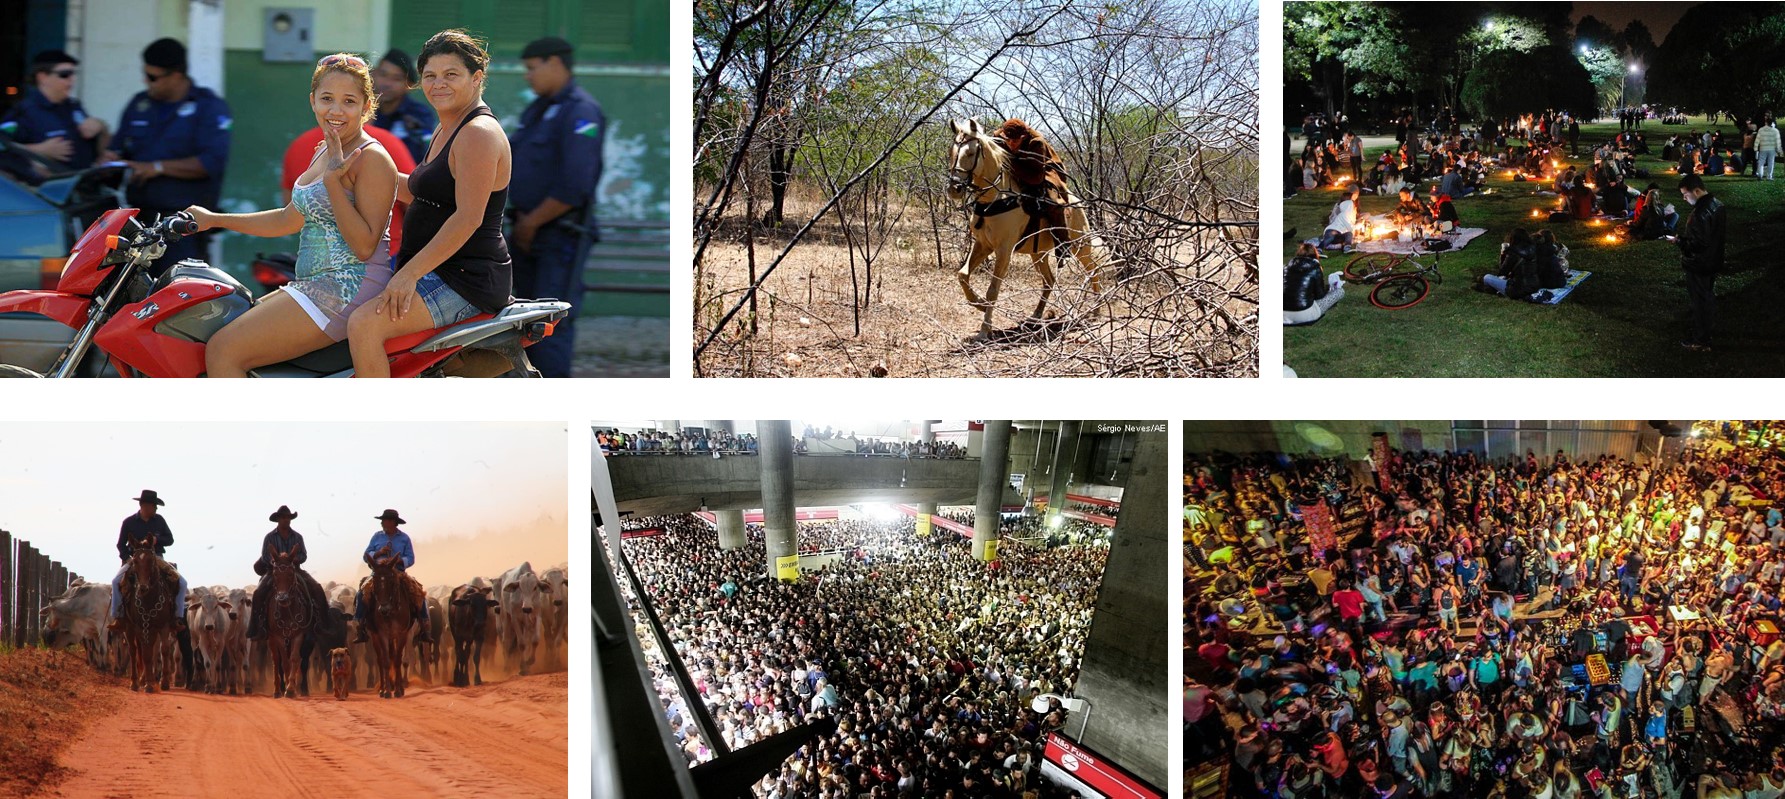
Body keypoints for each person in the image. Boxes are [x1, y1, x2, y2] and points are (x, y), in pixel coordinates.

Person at [184, 54, 397, 377]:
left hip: (348, 287)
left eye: (349, 101)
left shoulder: (372, 159)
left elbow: (365, 247)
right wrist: (214, 219)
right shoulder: (325, 150)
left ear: (367, 107)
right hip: (312, 284)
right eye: (327, 99)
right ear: (312, 101)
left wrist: (334, 183)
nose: (336, 111)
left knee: (224, 349)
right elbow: (287, 220)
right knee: (219, 328)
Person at [346, 29, 513, 378]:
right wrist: (357, 171)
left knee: (365, 325)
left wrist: (408, 275)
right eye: (430, 76)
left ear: (476, 78)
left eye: (451, 75)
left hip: (467, 279)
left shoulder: (477, 133)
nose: (439, 84)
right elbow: (427, 196)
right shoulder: (446, 126)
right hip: (438, 270)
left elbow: (467, 218)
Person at [507, 36, 605, 378]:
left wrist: (532, 223)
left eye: (533, 69)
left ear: (555, 64)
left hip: (559, 236)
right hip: (528, 234)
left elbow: (575, 185)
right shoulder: (539, 110)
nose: (528, 76)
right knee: (525, 329)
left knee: (551, 327)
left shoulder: (581, 112)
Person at [102, 38, 231, 270]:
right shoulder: (140, 104)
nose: (146, 82)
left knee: (181, 297)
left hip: (181, 227)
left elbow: (211, 163)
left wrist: (157, 168)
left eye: (153, 77)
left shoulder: (207, 107)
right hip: (138, 226)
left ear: (176, 75)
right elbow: (118, 148)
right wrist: (109, 157)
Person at [0, 50, 107, 182]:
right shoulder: (24, 112)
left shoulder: (74, 106)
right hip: (46, 193)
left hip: (83, 188)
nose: (71, 79)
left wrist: (101, 126)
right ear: (42, 77)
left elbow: (98, 147)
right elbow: (2, 147)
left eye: (73, 74)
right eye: (65, 75)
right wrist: (38, 150)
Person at [245, 505, 331, 640]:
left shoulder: (297, 537)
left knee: (317, 588)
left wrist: (292, 559)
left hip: (294, 570)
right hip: (274, 571)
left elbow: (303, 555)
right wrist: (277, 562)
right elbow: (265, 556)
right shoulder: (269, 537)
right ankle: (257, 628)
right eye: (284, 517)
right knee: (258, 593)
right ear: (278, 519)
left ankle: (322, 624)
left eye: (289, 518)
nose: (286, 520)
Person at [106, 490, 187, 631]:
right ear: (144, 506)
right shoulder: (128, 522)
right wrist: (127, 559)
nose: (155, 509)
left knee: (182, 582)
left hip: (156, 558)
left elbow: (170, 539)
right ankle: (118, 617)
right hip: (135, 559)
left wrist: (157, 540)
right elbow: (120, 544)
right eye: (154, 506)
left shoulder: (160, 520)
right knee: (115, 582)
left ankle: (176, 618)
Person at [350, 509, 433, 643]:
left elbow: (411, 558)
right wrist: (378, 553)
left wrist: (398, 560)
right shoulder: (376, 536)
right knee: (362, 593)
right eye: (382, 520)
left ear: (393, 522)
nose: (382, 523)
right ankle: (360, 626)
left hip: (399, 573)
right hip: (378, 573)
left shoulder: (404, 538)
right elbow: (366, 555)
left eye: (385, 520)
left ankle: (425, 628)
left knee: (419, 593)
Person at [994, 118, 1071, 246]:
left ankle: (1062, 243)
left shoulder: (1036, 143)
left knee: (1053, 201)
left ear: (1023, 137)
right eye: (1008, 140)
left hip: (1044, 169)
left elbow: (1036, 178)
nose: (1011, 144)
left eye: (1015, 140)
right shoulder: (999, 137)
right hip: (1016, 167)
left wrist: (1010, 164)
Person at [1672, 173, 1726, 351]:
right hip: (1713, 260)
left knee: (1700, 301)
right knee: (1706, 297)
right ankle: (1705, 330)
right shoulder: (1717, 205)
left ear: (1696, 191)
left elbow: (1698, 244)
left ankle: (1701, 340)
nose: (1684, 198)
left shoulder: (1700, 214)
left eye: (1686, 195)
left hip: (1699, 265)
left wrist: (1680, 241)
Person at [369, 49, 437, 165]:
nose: (387, 83)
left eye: (396, 79)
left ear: (409, 85)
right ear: (373, 74)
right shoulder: (361, 110)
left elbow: (427, 156)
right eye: (383, 75)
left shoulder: (419, 114)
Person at [1283, 243, 1343, 326]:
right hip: (1304, 314)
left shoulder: (1286, 267)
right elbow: (1320, 296)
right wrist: (1328, 288)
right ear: (1315, 255)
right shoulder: (1315, 267)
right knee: (1340, 291)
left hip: (1283, 314)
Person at [1319, 183, 1359, 250]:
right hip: (1332, 230)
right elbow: (1351, 227)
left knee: (1349, 234)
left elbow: (1350, 227)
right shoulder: (1343, 215)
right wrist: (1358, 225)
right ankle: (1319, 249)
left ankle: (1347, 247)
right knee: (1331, 237)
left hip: (1339, 233)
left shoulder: (1349, 214)